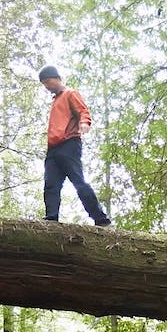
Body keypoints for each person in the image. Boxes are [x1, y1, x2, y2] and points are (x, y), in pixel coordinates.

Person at [38, 65, 111, 226]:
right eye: (44, 84)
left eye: (48, 82)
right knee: (50, 184)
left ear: (57, 78)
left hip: (69, 144)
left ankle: (100, 218)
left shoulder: (70, 94)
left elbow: (83, 111)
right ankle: (51, 217)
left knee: (78, 181)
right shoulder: (55, 101)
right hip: (53, 149)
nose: (47, 86)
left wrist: (85, 123)